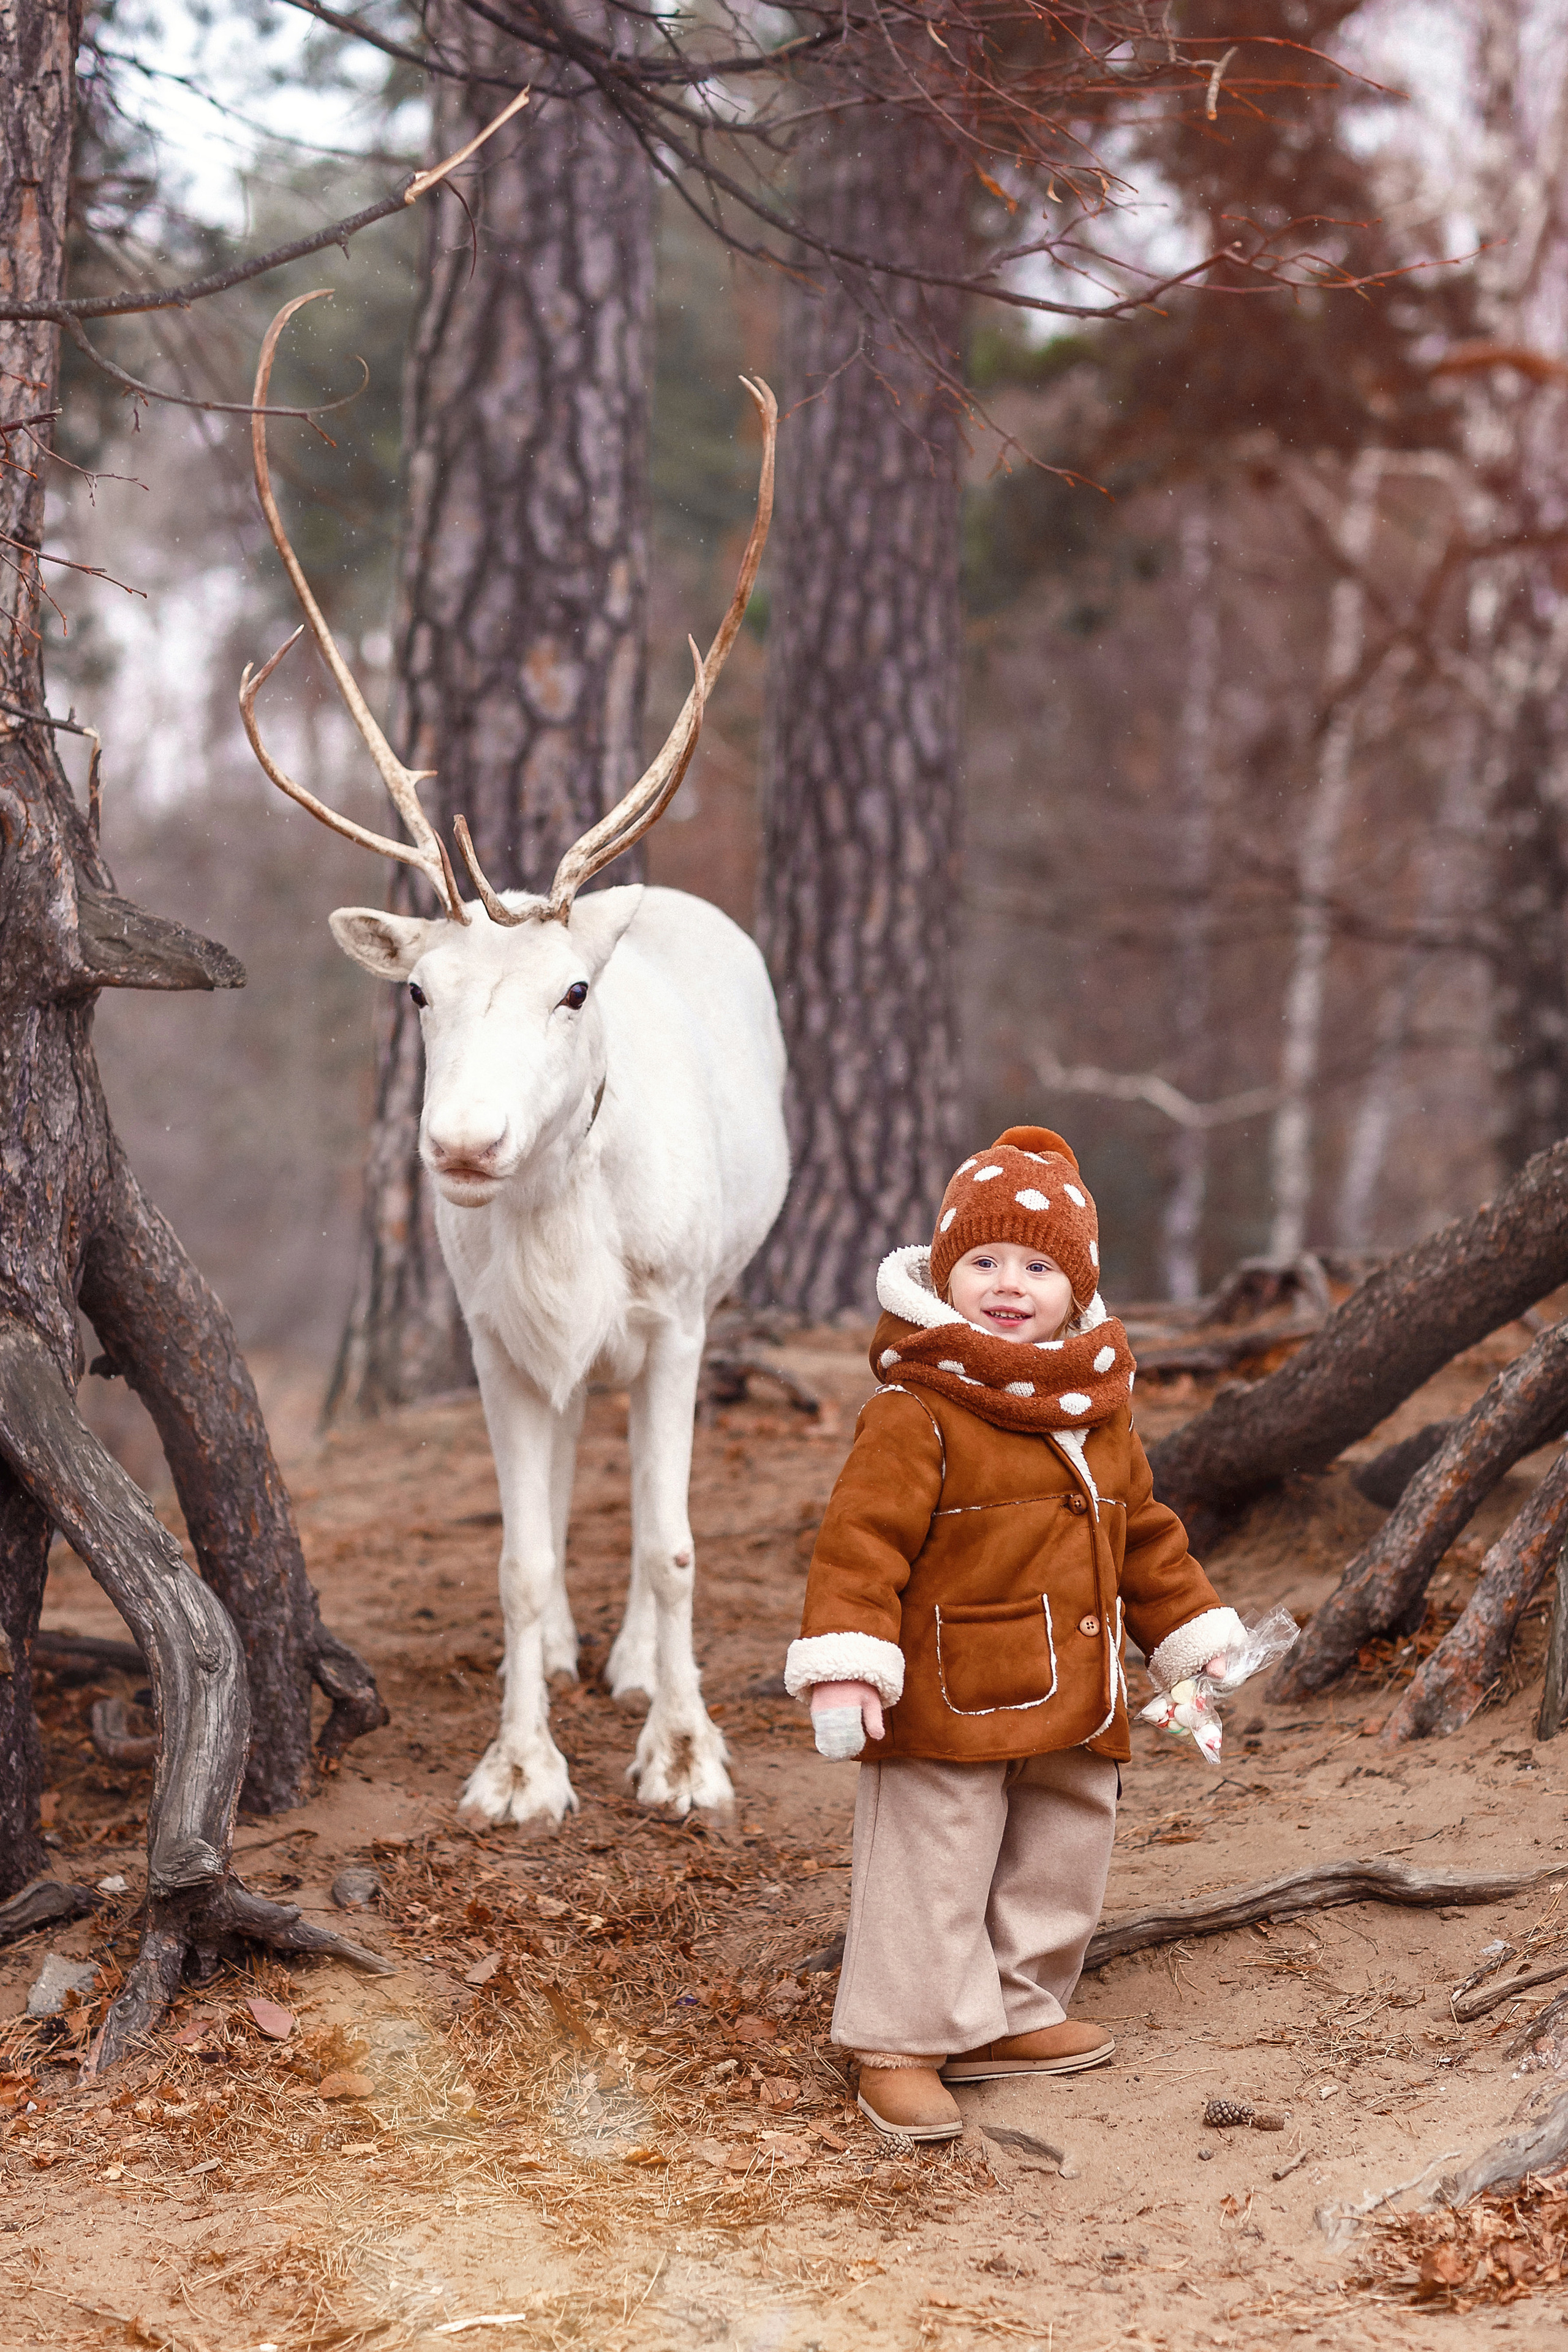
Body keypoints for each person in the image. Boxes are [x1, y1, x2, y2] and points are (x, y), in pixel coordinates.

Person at [783, 1126, 1246, 2141]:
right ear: (946, 1274)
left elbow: (1146, 1537)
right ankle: (900, 2040)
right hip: (951, 1689)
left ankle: (1013, 2009)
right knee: (934, 1856)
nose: (1008, 1283)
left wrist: (1189, 1633)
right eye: (984, 1261)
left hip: (1076, 1691)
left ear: (1075, 1290)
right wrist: (849, 1667)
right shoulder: (919, 1406)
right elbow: (860, 1544)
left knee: (1059, 1848)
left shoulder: (1095, 1407)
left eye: (1038, 1266)